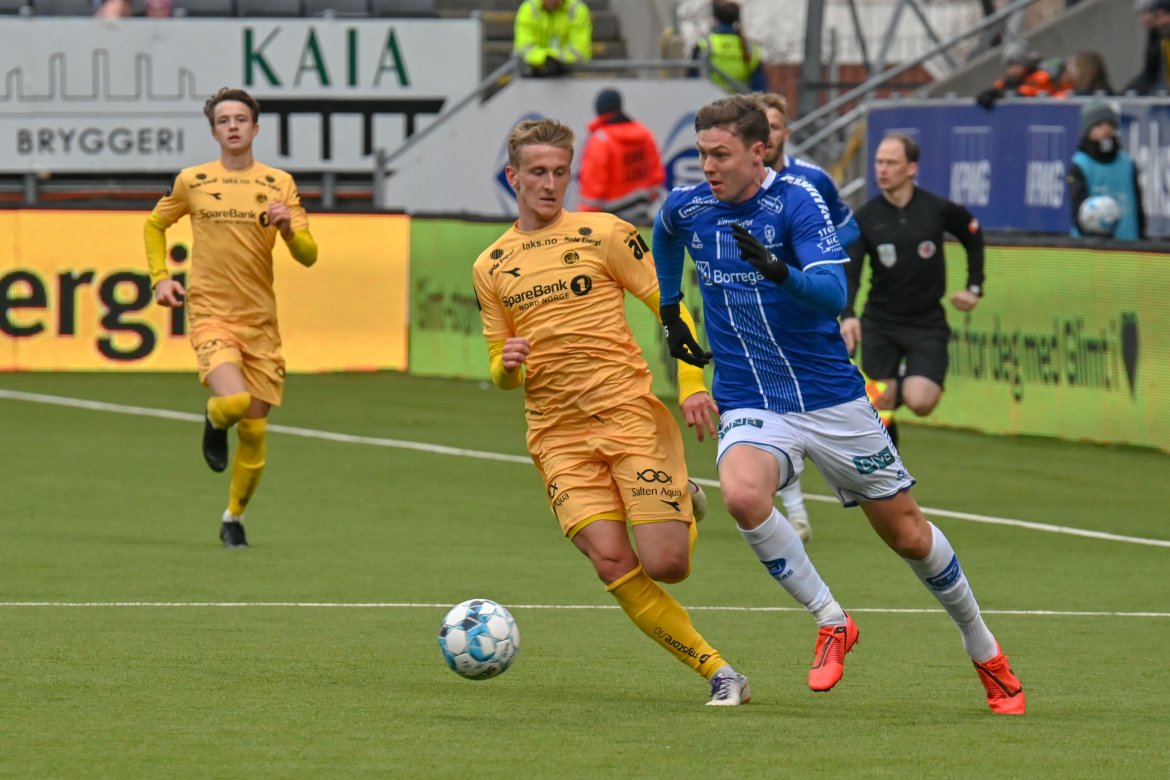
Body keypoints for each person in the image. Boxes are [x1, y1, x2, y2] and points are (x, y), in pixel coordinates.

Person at [652, 96, 1024, 715]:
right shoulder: (689, 207)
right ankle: (831, 619)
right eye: (702, 153)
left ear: (758, 151)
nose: (708, 166)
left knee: (907, 535)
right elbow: (664, 235)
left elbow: (829, 293)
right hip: (751, 396)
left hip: (831, 398)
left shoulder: (797, 202)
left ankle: (985, 650)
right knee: (743, 495)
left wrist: (779, 271)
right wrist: (670, 309)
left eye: (720, 154)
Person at [471, 118, 751, 706]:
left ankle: (685, 499)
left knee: (668, 564)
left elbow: (670, 307)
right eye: (537, 173)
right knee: (610, 561)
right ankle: (720, 672)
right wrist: (509, 363)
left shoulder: (606, 234)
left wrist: (695, 383)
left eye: (559, 172)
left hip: (626, 416)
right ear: (512, 177)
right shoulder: (490, 264)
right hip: (557, 436)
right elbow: (500, 370)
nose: (550, 184)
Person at [144, 87, 319, 548]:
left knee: (256, 431)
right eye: (224, 120)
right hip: (210, 313)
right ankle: (213, 417)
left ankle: (233, 517)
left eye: (241, 118)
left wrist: (286, 229)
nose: (234, 126)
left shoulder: (279, 183)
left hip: (260, 322)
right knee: (235, 404)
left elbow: (308, 255)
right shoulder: (192, 180)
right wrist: (160, 277)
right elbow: (155, 224)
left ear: (256, 128)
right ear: (214, 130)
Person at [754, 91, 861, 543]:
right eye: (759, 127)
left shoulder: (813, 180)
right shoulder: (738, 185)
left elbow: (852, 225)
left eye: (774, 126)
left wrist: (817, 252)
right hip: (762, 314)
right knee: (767, 406)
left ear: (785, 132)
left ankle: (864, 479)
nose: (767, 135)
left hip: (809, 308)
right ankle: (796, 512)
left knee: (816, 400)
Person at [841, 133, 985, 446]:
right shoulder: (866, 217)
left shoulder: (937, 209)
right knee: (881, 400)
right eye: (879, 162)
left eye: (891, 163)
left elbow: (973, 235)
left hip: (926, 322)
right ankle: (889, 467)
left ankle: (897, 390)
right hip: (880, 320)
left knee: (920, 400)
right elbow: (851, 270)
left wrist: (974, 287)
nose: (882, 169)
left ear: (911, 168)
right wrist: (849, 313)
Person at [577, 88, 667, 225]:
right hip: (641, 215)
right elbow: (656, 176)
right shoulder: (644, 133)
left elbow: (592, 187)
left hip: (609, 219)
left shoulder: (600, 140)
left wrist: (586, 221)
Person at [1069, 100, 1145, 241]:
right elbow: (1077, 210)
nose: (1105, 130)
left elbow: (1138, 207)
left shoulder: (1127, 163)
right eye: (1098, 125)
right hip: (1090, 248)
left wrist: (1141, 237)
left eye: (1110, 124)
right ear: (1088, 130)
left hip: (1129, 245)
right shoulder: (1080, 164)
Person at [692, 0, 766, 93]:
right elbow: (759, 87)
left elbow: (693, 81)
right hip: (740, 104)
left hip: (710, 103)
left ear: (714, 18)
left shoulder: (704, 45)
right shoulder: (751, 48)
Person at [512, 0, 593, 78]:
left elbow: (580, 52)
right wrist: (546, 58)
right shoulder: (529, 8)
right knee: (518, 58)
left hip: (569, 71)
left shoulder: (577, 9)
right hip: (536, 70)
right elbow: (523, 48)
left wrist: (554, 58)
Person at [975, 39, 1063, 108]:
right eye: (1009, 66)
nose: (1013, 70)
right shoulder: (1010, 81)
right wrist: (992, 93)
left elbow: (1030, 92)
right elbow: (998, 87)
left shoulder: (1041, 75)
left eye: (1017, 64)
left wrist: (1004, 94)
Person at [1126, 0, 1170, 95]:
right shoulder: (1160, 37)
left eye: (1164, 15)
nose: (1161, 22)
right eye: (1156, 16)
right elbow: (1150, 72)